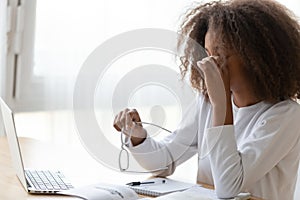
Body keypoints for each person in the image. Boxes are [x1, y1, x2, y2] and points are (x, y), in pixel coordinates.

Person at [113, 0, 300, 199]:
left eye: (219, 55)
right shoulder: (207, 103)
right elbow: (164, 161)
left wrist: (222, 105)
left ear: (255, 56)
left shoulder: (286, 115)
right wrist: (137, 135)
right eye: (207, 53)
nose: (207, 64)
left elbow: (229, 187)